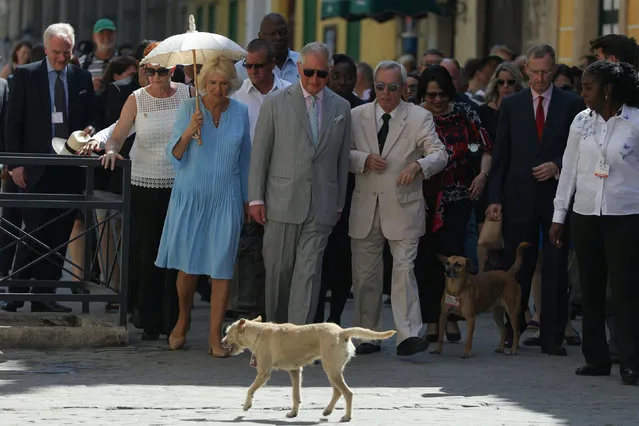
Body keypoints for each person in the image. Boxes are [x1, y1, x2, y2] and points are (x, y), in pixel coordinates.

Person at [485, 44, 584, 355]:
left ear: (554, 70)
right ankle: (513, 331)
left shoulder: (571, 104)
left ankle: (551, 335)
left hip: (557, 197)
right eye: (535, 72)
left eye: (546, 72)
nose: (540, 78)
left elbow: (579, 150)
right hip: (518, 196)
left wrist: (556, 164)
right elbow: (501, 155)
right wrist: (494, 198)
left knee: (555, 268)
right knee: (518, 267)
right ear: (525, 70)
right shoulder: (512, 105)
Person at [248, 42, 351, 325]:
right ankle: (274, 334)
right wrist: (255, 198)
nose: (314, 80)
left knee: (308, 274)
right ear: (299, 69)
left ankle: (297, 341)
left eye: (321, 74)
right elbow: (260, 153)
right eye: (308, 73)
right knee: (279, 274)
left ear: (329, 72)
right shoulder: (275, 102)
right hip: (281, 202)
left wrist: (339, 202)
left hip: (322, 204)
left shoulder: (342, 107)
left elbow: (342, 160)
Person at [349, 61, 448, 356]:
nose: (386, 93)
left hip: (403, 205)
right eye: (380, 87)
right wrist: (362, 159)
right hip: (366, 205)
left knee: (403, 270)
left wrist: (419, 165)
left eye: (393, 87)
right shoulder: (357, 115)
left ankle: (408, 335)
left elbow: (439, 153)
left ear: (404, 88)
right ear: (372, 86)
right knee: (365, 274)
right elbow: (339, 153)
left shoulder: (419, 117)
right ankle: (369, 335)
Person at [94, 45, 194, 339]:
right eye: (149, 71)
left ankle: (174, 320)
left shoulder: (187, 96)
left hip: (179, 184)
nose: (155, 77)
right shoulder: (137, 99)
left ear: (172, 70)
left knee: (176, 254)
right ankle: (149, 321)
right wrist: (111, 151)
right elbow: (117, 136)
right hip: (143, 183)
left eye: (161, 71)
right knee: (147, 252)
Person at [550, 61, 639, 386]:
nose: (582, 93)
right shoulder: (580, 121)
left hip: (626, 216)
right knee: (589, 288)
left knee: (625, 289)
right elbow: (570, 170)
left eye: (588, 87)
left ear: (608, 89)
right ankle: (595, 358)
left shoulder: (635, 120)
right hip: (586, 213)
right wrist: (560, 215)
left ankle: (631, 361)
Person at [155, 56, 250, 357]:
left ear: (231, 85)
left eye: (223, 84)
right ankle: (183, 318)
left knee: (222, 269)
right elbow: (174, 157)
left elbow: (245, 159)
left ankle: (215, 338)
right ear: (202, 84)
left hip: (227, 199)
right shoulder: (188, 109)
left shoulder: (241, 113)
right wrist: (189, 130)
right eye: (212, 83)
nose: (217, 89)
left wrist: (249, 199)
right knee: (188, 269)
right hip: (191, 199)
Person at [2, 23, 96, 313]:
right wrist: (15, 164)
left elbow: (91, 117)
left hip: (69, 167)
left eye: (66, 52)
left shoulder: (81, 77)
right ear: (46, 49)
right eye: (56, 52)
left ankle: (45, 296)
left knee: (59, 234)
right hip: (35, 168)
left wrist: (90, 131)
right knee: (33, 233)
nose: (62, 58)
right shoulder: (26, 75)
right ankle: (16, 294)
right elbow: (12, 124)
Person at [414, 65, 492, 343]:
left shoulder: (464, 112)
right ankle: (432, 320)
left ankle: (454, 317)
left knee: (454, 257)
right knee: (426, 260)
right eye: (431, 95)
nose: (437, 101)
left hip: (458, 195)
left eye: (443, 95)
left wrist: (482, 175)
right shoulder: (414, 114)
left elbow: (484, 146)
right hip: (421, 198)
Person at [229, 38, 291, 319]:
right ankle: (251, 315)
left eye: (258, 66)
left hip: (284, 183)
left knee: (279, 254)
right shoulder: (237, 98)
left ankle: (277, 314)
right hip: (249, 184)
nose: (252, 71)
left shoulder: (291, 94)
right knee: (250, 251)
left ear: (273, 65)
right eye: (248, 65)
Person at [314, 53, 364, 325]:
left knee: (343, 262)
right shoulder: (318, 106)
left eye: (348, 77)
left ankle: (336, 319)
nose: (343, 82)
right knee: (320, 261)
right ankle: (318, 318)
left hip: (352, 196)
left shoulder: (363, 109)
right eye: (336, 76)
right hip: (321, 193)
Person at [235, 13, 299, 83]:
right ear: (260, 36)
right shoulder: (241, 70)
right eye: (272, 34)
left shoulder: (304, 64)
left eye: (282, 33)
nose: (278, 37)